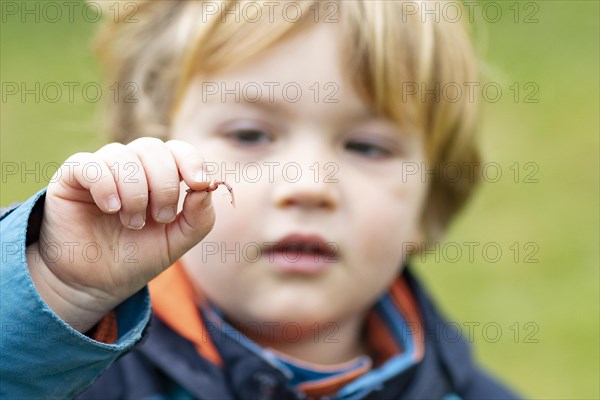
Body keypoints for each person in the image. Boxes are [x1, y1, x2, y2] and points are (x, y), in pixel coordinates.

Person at [0, 1, 519, 398]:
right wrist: (57, 288)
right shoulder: (74, 370)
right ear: (157, 155)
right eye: (250, 135)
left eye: (366, 146)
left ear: (427, 203)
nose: (309, 185)